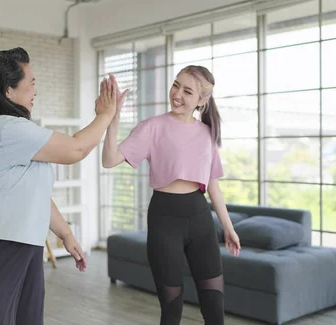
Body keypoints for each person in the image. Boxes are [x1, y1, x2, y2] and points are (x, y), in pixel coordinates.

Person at [0, 47, 125, 325]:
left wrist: (66, 235)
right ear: (8, 91)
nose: (36, 89)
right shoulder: (7, 128)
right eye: (32, 82)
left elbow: (35, 195)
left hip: (23, 244)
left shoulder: (18, 132)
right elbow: (75, 149)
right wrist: (105, 115)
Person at [102, 65, 241, 325]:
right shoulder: (152, 127)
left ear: (201, 101)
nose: (176, 94)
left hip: (200, 219)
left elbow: (212, 185)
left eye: (187, 91)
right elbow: (109, 160)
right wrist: (113, 117)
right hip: (164, 220)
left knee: (214, 308)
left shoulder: (206, 134)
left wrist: (228, 228)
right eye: (175, 85)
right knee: (171, 308)